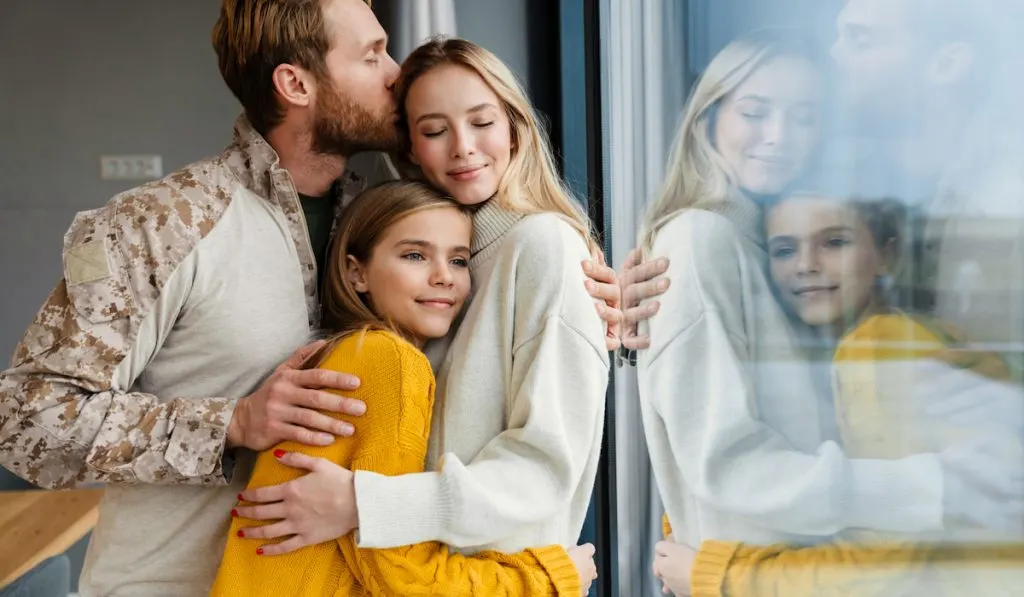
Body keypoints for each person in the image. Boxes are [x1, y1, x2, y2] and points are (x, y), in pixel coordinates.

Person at [0, 2, 620, 594]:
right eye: (372, 54)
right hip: (176, 582)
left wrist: (599, 307)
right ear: (296, 83)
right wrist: (232, 423)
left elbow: (514, 310)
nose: (396, 72)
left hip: (349, 577)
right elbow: (24, 419)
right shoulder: (160, 224)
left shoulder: (395, 206)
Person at [632, 27, 1022, 594]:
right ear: (708, 119)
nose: (780, 136)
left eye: (806, 117)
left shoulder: (770, 249)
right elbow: (726, 465)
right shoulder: (699, 240)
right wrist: (927, 487)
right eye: (756, 112)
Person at [232, 37, 612, 573]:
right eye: (435, 131)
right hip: (416, 572)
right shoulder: (430, 260)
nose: (463, 147)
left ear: (515, 128)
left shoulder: (544, 246)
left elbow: (546, 466)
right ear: (409, 149)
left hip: (494, 578)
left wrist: (365, 504)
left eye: (482, 122)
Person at [212, 180, 597, 596]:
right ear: (356, 272)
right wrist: (551, 578)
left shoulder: (344, 351)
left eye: (459, 261)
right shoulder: (390, 362)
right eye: (415, 255)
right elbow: (404, 578)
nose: (443, 277)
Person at [653, 190, 1024, 597]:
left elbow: (878, 565)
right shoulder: (907, 335)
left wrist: (719, 576)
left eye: (834, 242)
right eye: (784, 249)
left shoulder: (875, 348)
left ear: (887, 255)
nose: (807, 265)